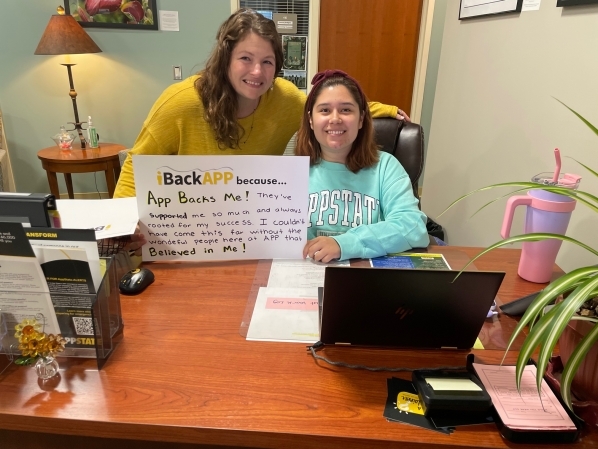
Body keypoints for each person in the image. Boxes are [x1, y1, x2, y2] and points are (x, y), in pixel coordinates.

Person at [114, 8, 409, 199]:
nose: (257, 72)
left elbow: (325, 107)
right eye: (245, 58)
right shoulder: (179, 104)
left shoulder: (285, 98)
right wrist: (123, 230)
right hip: (190, 220)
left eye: (267, 62)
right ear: (225, 59)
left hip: (251, 219)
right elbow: (134, 169)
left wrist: (379, 110)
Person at [296, 70, 428, 263]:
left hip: (367, 278)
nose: (335, 118)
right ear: (310, 119)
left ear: (360, 119)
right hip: (301, 276)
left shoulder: (386, 167)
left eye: (346, 110)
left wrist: (344, 244)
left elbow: (412, 226)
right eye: (324, 110)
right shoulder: (291, 172)